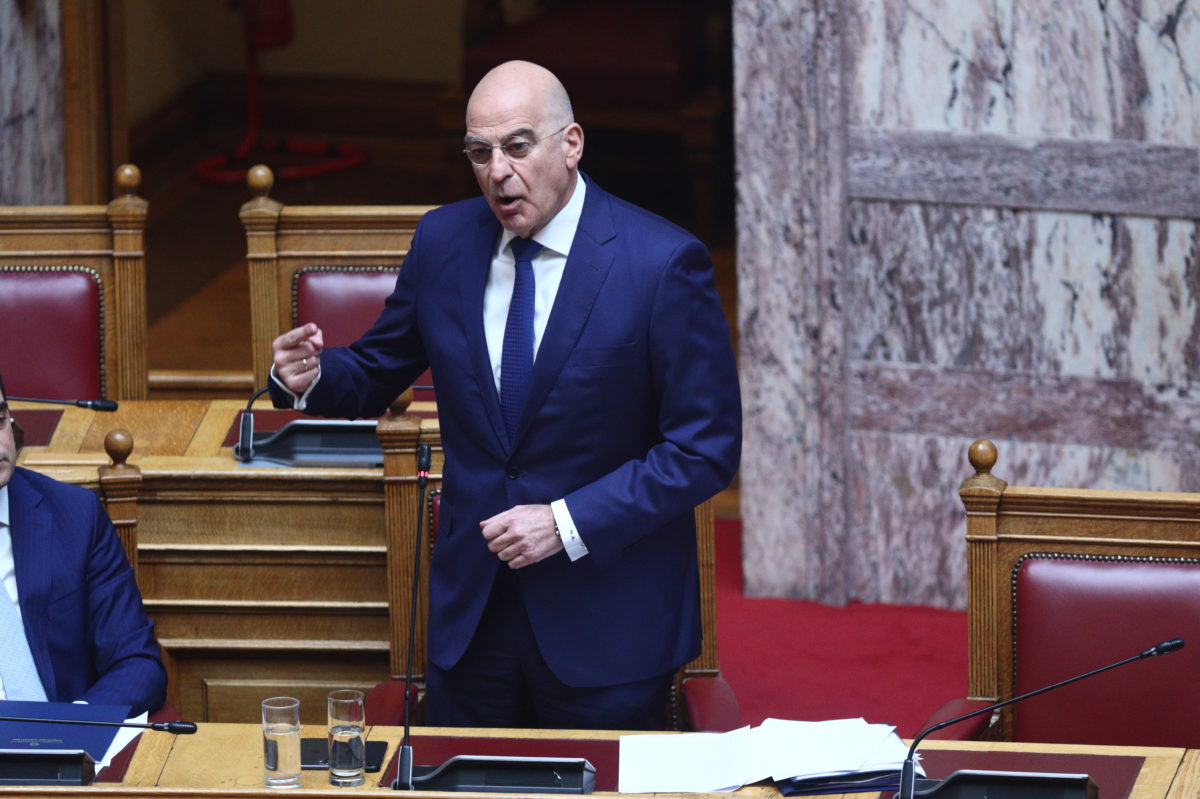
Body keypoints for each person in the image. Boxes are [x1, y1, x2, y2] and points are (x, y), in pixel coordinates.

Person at [270, 60, 740, 729]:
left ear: (571, 144)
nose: (498, 172)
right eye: (479, 153)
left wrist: (566, 522)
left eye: (518, 147)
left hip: (607, 621)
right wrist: (310, 376)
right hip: (473, 615)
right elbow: (377, 368)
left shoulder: (661, 263)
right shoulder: (444, 240)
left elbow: (704, 449)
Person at [0, 374, 166, 715]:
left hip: (60, 739)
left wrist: (74, 726)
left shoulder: (74, 516)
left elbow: (137, 663)